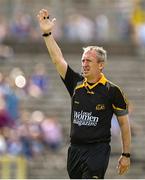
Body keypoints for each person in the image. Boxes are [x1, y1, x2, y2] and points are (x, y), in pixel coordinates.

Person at [37, 9, 131, 179]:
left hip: (98, 150)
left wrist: (126, 155)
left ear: (100, 65)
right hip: (75, 150)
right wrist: (47, 33)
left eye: (88, 61)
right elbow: (58, 59)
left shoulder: (112, 91)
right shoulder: (76, 84)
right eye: (82, 60)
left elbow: (124, 124)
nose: (84, 64)